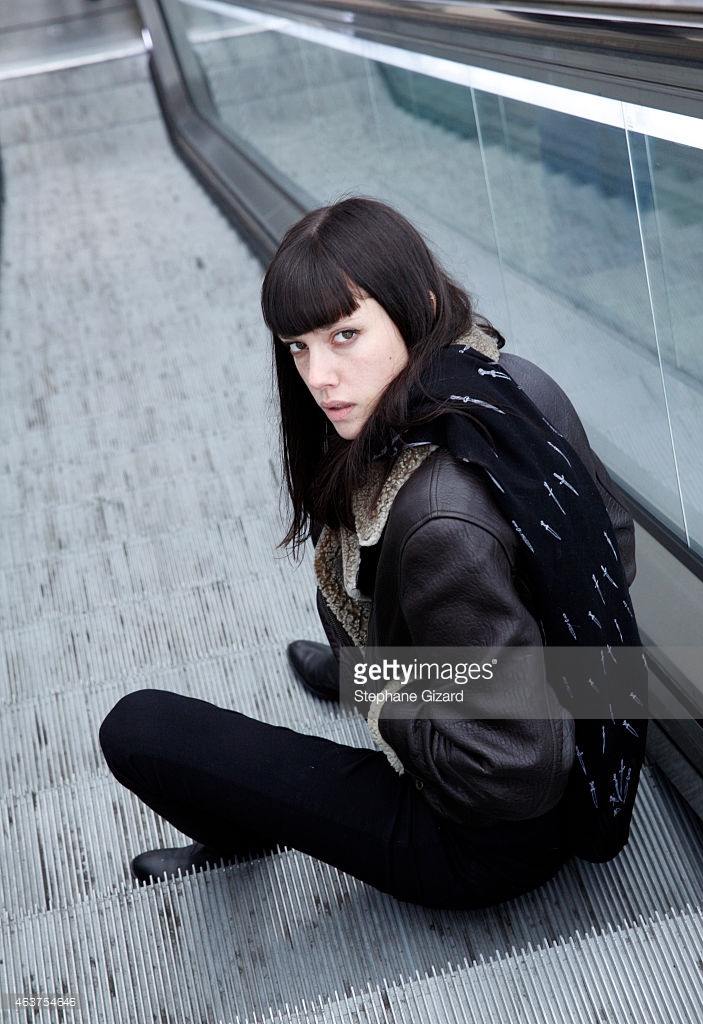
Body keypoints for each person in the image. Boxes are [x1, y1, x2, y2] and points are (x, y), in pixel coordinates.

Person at [99, 197, 646, 909]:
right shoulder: (511, 382)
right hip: (597, 730)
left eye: (344, 335)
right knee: (382, 646)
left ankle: (245, 821)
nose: (317, 375)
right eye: (298, 345)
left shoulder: (436, 522)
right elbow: (615, 542)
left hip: (484, 843)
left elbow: (515, 769)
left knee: (140, 729)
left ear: (414, 307)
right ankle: (367, 668)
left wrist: (390, 696)